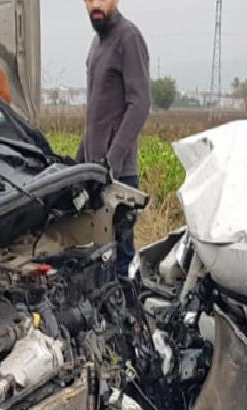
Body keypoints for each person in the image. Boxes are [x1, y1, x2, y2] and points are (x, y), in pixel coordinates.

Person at [77, 0, 150, 275]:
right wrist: (76, 163)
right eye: (89, 0)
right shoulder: (96, 44)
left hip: (118, 177)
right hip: (95, 174)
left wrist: (112, 161)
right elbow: (96, 117)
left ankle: (130, 303)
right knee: (97, 262)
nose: (96, 4)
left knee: (120, 262)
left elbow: (140, 104)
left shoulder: (128, 38)